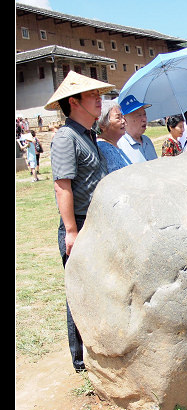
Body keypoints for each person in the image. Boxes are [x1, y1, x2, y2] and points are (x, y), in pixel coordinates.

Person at [45, 70, 114, 372]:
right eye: (92, 95)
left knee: (99, 288)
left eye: (99, 94)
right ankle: (81, 362)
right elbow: (62, 186)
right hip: (80, 223)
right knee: (80, 292)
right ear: (73, 102)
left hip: (96, 222)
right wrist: (71, 231)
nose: (99, 100)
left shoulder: (89, 134)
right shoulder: (65, 137)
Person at [117, 95, 157, 163]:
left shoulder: (147, 141)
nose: (144, 119)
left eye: (144, 114)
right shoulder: (120, 145)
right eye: (139, 115)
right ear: (124, 120)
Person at [96, 100, 131, 173]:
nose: (123, 121)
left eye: (122, 117)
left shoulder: (113, 145)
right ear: (102, 124)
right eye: (118, 118)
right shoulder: (103, 148)